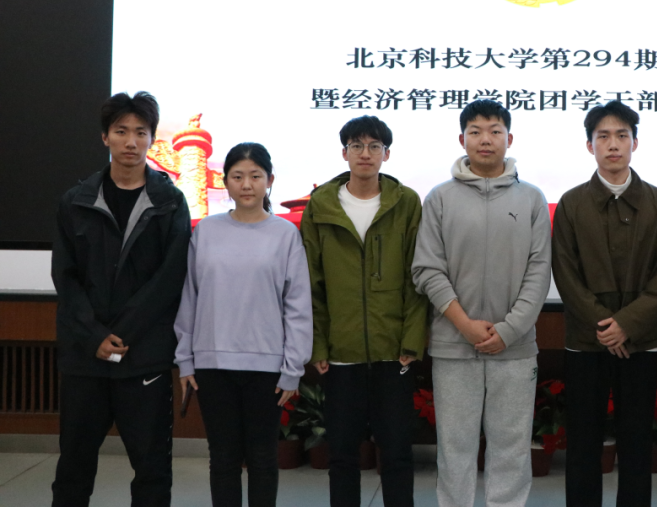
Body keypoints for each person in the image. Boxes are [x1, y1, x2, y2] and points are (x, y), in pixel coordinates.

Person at [51, 91, 191, 507]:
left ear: (152, 140)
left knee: (152, 471)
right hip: (85, 358)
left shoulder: (170, 202)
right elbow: (65, 276)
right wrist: (95, 335)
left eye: (141, 132)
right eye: (121, 131)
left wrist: (122, 334)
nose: (131, 141)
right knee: (73, 468)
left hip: (143, 356)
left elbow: (170, 278)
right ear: (105, 137)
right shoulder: (75, 201)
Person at [411, 99, 551, 507]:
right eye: (475, 131)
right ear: (462, 139)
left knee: (511, 447)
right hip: (454, 345)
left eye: (494, 131)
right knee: (454, 448)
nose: (485, 139)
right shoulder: (439, 198)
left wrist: (509, 331)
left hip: (515, 347)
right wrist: (464, 324)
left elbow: (539, 271)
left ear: (509, 138)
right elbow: (427, 269)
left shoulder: (532, 199)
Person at [551, 101, 657, 507]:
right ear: (589, 145)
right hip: (586, 341)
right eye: (603, 136)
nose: (613, 144)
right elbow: (565, 273)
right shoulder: (571, 203)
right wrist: (607, 326)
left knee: (637, 441)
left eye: (622, 136)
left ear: (634, 143)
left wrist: (628, 324)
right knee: (583, 441)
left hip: (641, 342)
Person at [175, 143, 312, 507]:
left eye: (255, 176)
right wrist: (185, 359)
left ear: (270, 180)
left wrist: (293, 368)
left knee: (263, 458)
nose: (247, 184)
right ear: (226, 182)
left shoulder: (285, 234)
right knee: (222, 459)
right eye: (237, 176)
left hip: (267, 368)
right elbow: (190, 296)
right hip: (212, 364)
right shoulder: (206, 230)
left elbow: (297, 305)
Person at [301, 116, 427, 507]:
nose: (365, 153)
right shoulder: (321, 205)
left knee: (397, 453)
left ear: (387, 154)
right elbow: (311, 283)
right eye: (357, 145)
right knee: (342, 455)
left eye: (375, 146)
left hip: (394, 352)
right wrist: (318, 345)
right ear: (345, 153)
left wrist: (411, 341)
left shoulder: (406, 203)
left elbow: (417, 277)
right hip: (341, 353)